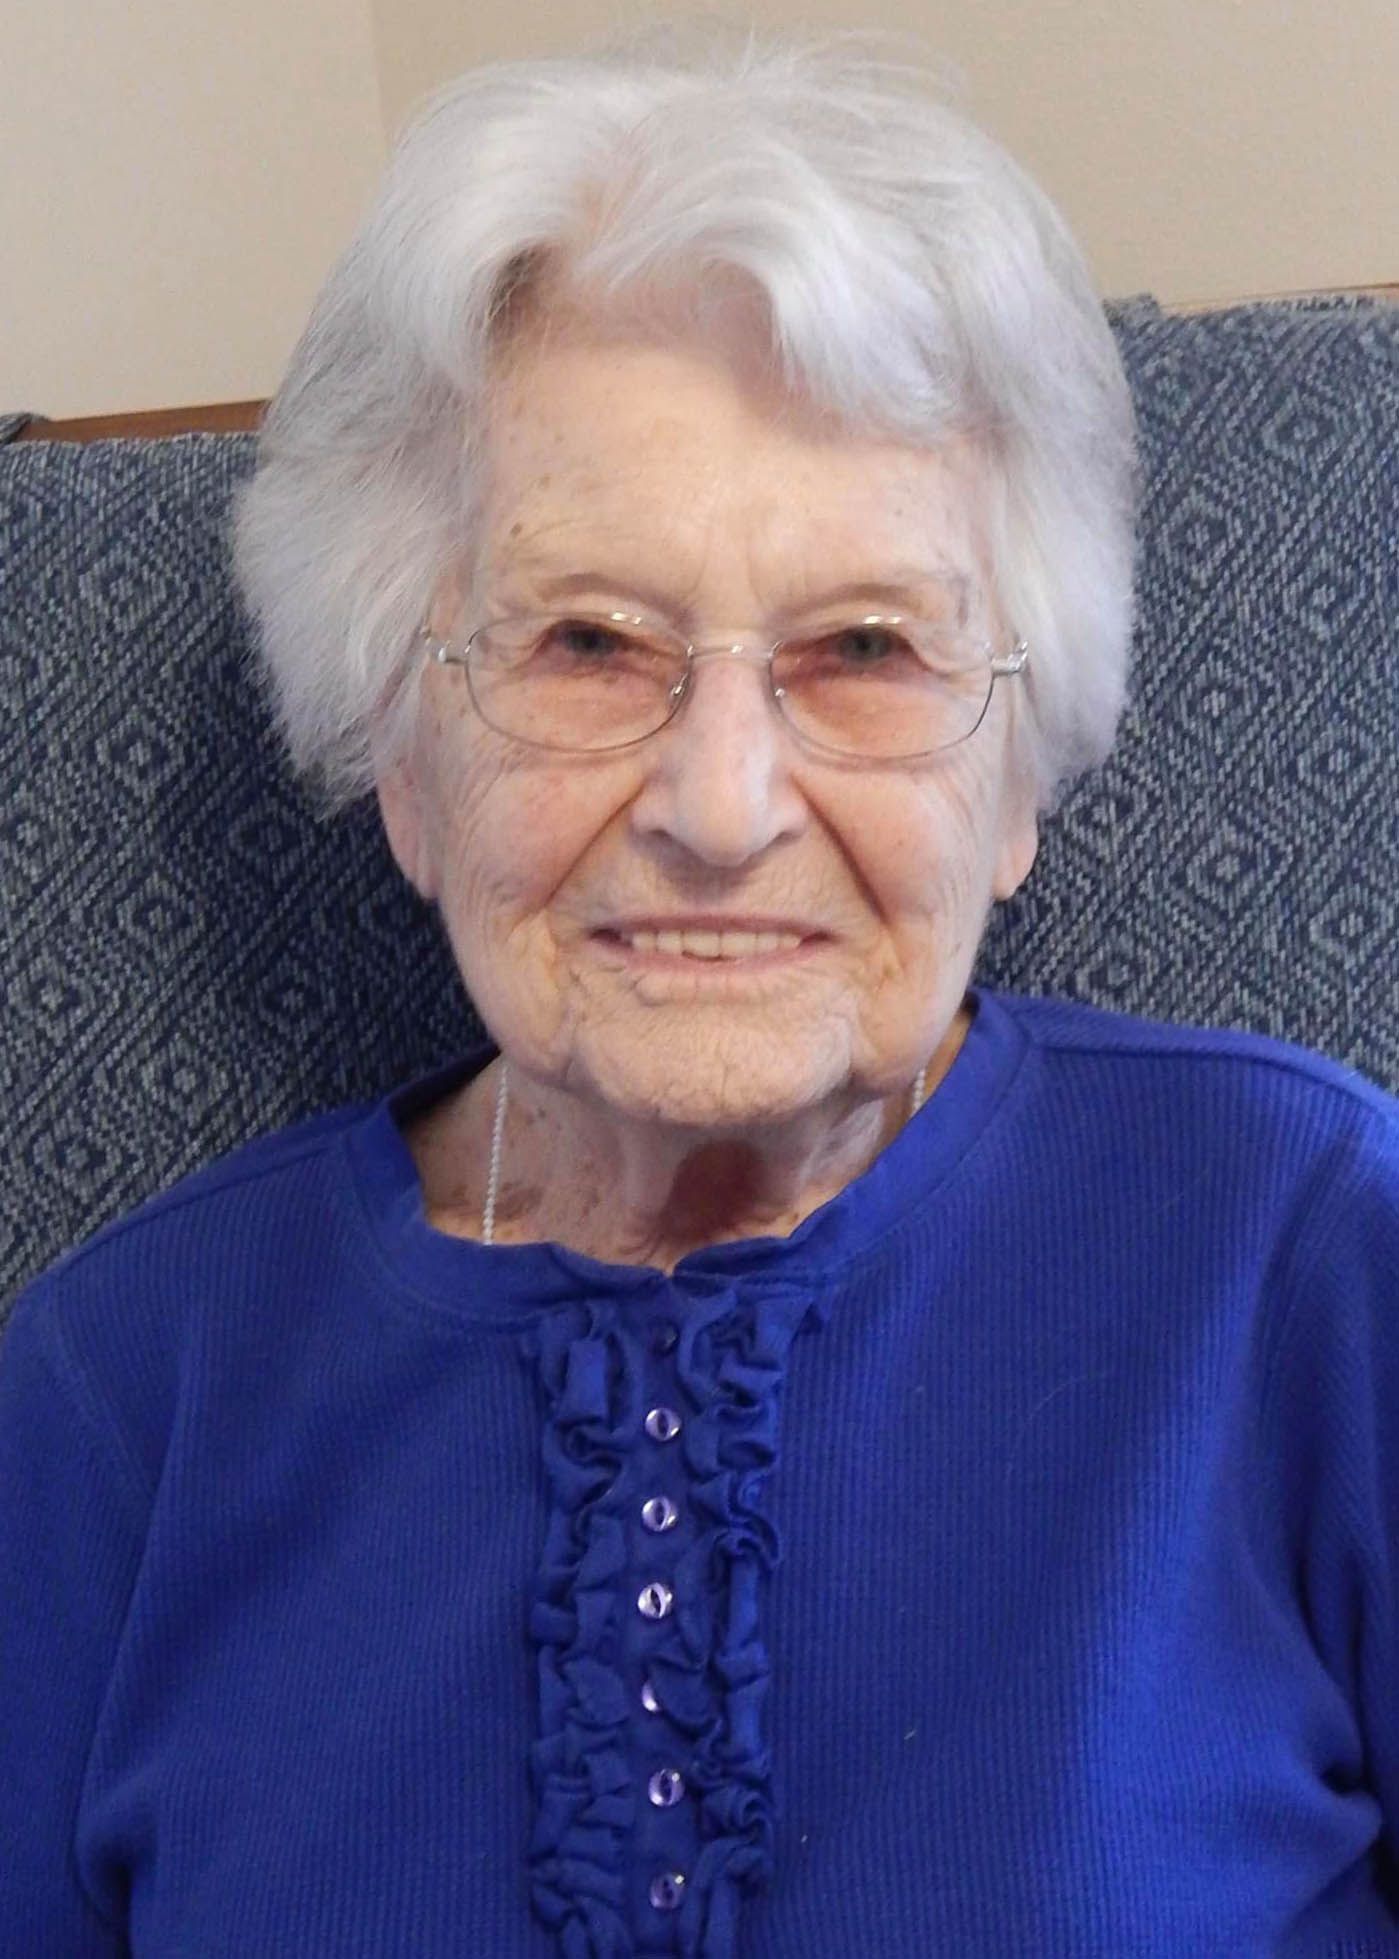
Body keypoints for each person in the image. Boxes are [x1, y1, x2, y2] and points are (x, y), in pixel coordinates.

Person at [2, 25, 1396, 1959]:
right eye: (585, 639)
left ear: (1018, 776)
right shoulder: (112, 1402)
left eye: (868, 648)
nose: (722, 808)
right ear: (404, 753)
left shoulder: (1308, 1246)